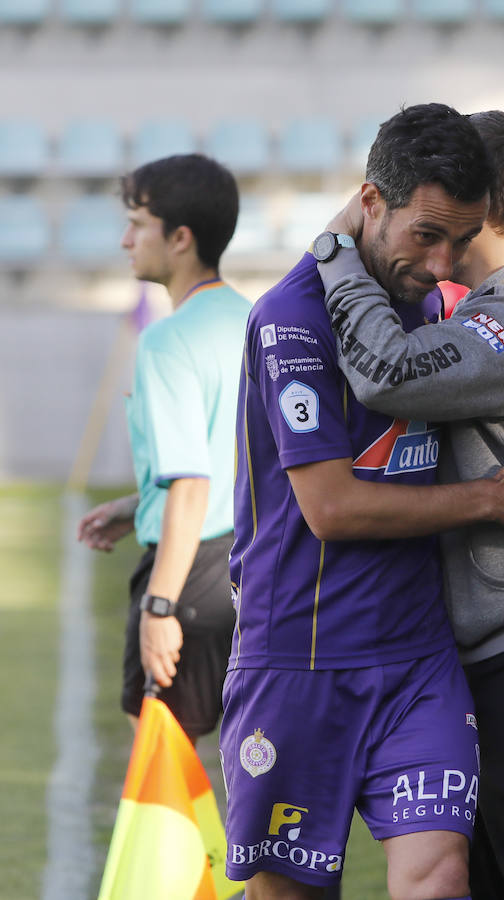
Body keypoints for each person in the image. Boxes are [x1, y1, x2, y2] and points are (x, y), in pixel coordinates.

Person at [219, 103, 504, 900]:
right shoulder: (292, 319)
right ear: (370, 203)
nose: (442, 263)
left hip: (418, 662)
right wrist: (492, 500)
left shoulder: (441, 314)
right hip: (300, 653)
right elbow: (330, 508)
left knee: (440, 876)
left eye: (460, 240)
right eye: (425, 235)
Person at [76, 153, 250, 744]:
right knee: (245, 757)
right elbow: (230, 459)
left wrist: (159, 608)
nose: (126, 240)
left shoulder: (167, 341)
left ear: (180, 238)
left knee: (164, 756)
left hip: (192, 568)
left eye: (138, 223)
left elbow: (193, 484)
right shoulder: (255, 321)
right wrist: (135, 505)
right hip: (253, 563)